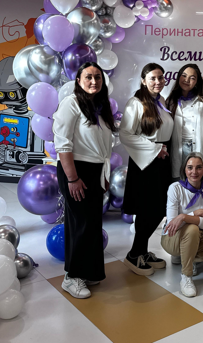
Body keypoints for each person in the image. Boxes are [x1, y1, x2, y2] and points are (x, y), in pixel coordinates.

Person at [53, 62, 115, 299]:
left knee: (92, 223)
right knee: (80, 223)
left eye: (98, 77)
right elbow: (63, 144)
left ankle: (88, 271)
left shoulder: (100, 106)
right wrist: (72, 178)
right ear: (78, 80)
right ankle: (72, 277)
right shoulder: (71, 103)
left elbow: (103, 146)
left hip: (95, 171)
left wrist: (104, 175)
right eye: (88, 77)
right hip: (76, 170)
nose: (94, 81)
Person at [119, 63, 173, 277]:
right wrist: (154, 149)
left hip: (162, 160)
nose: (158, 81)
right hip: (145, 161)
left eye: (161, 77)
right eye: (153, 78)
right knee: (148, 209)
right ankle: (134, 254)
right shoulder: (136, 102)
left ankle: (141, 250)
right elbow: (125, 134)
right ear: (143, 80)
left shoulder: (162, 101)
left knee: (159, 209)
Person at [161, 152, 203, 297]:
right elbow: (173, 223)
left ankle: (187, 255)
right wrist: (198, 213)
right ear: (184, 170)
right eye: (190, 167)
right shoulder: (175, 188)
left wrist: (184, 217)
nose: (194, 172)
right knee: (192, 229)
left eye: (199, 167)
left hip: (200, 234)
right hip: (172, 236)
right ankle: (186, 276)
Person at [166, 63, 203, 179]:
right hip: (179, 147)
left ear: (197, 82)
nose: (187, 80)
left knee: (199, 179)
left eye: (192, 78)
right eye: (184, 76)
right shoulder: (170, 101)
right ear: (179, 77)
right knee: (180, 179)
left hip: (199, 145)